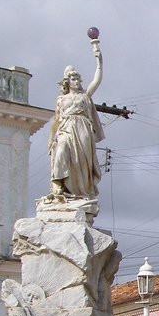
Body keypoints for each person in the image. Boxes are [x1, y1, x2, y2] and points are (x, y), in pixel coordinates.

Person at [48, 38, 104, 199]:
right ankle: (59, 183)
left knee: (82, 163)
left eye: (79, 79)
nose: (77, 81)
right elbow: (56, 122)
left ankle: (81, 190)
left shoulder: (85, 95)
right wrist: (52, 140)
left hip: (82, 128)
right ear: (67, 81)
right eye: (74, 79)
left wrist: (99, 61)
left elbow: (97, 80)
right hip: (66, 129)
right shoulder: (61, 100)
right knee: (61, 150)